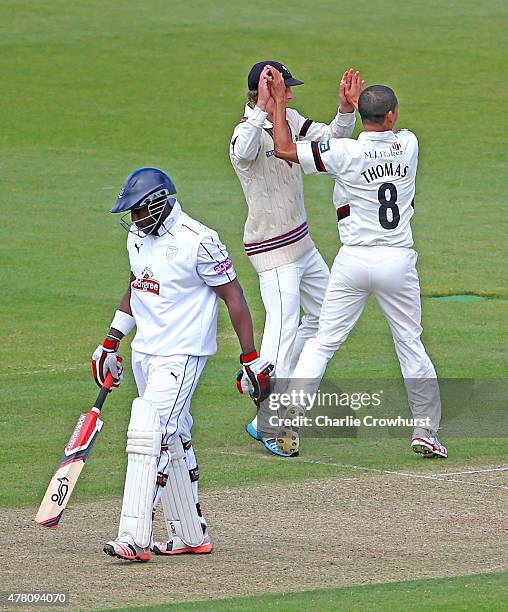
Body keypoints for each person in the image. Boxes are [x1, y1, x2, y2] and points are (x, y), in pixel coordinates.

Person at [92, 167, 273, 562]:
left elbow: (234, 297)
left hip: (182, 353)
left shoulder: (199, 240)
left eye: (139, 211)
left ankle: (134, 536)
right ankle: (189, 534)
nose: (134, 220)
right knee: (173, 434)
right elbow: (136, 285)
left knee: (149, 432)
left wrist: (250, 357)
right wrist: (111, 341)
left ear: (159, 204)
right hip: (146, 353)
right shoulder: (137, 237)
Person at [267, 68, 447, 459]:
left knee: (323, 342)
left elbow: (283, 149)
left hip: (351, 261)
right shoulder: (409, 145)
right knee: (410, 344)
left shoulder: (343, 153)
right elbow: (385, 140)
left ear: (363, 115)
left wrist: (281, 100)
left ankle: (289, 418)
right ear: (393, 116)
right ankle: (425, 431)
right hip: (397, 261)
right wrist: (354, 107)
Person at [230, 60, 362, 456]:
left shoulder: (292, 118)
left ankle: (267, 387)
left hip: (303, 245)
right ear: (264, 92)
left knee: (325, 317)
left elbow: (331, 141)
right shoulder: (245, 132)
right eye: (285, 88)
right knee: (283, 326)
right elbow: (242, 152)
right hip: (271, 250)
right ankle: (269, 417)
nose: (291, 94)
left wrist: (346, 110)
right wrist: (262, 109)